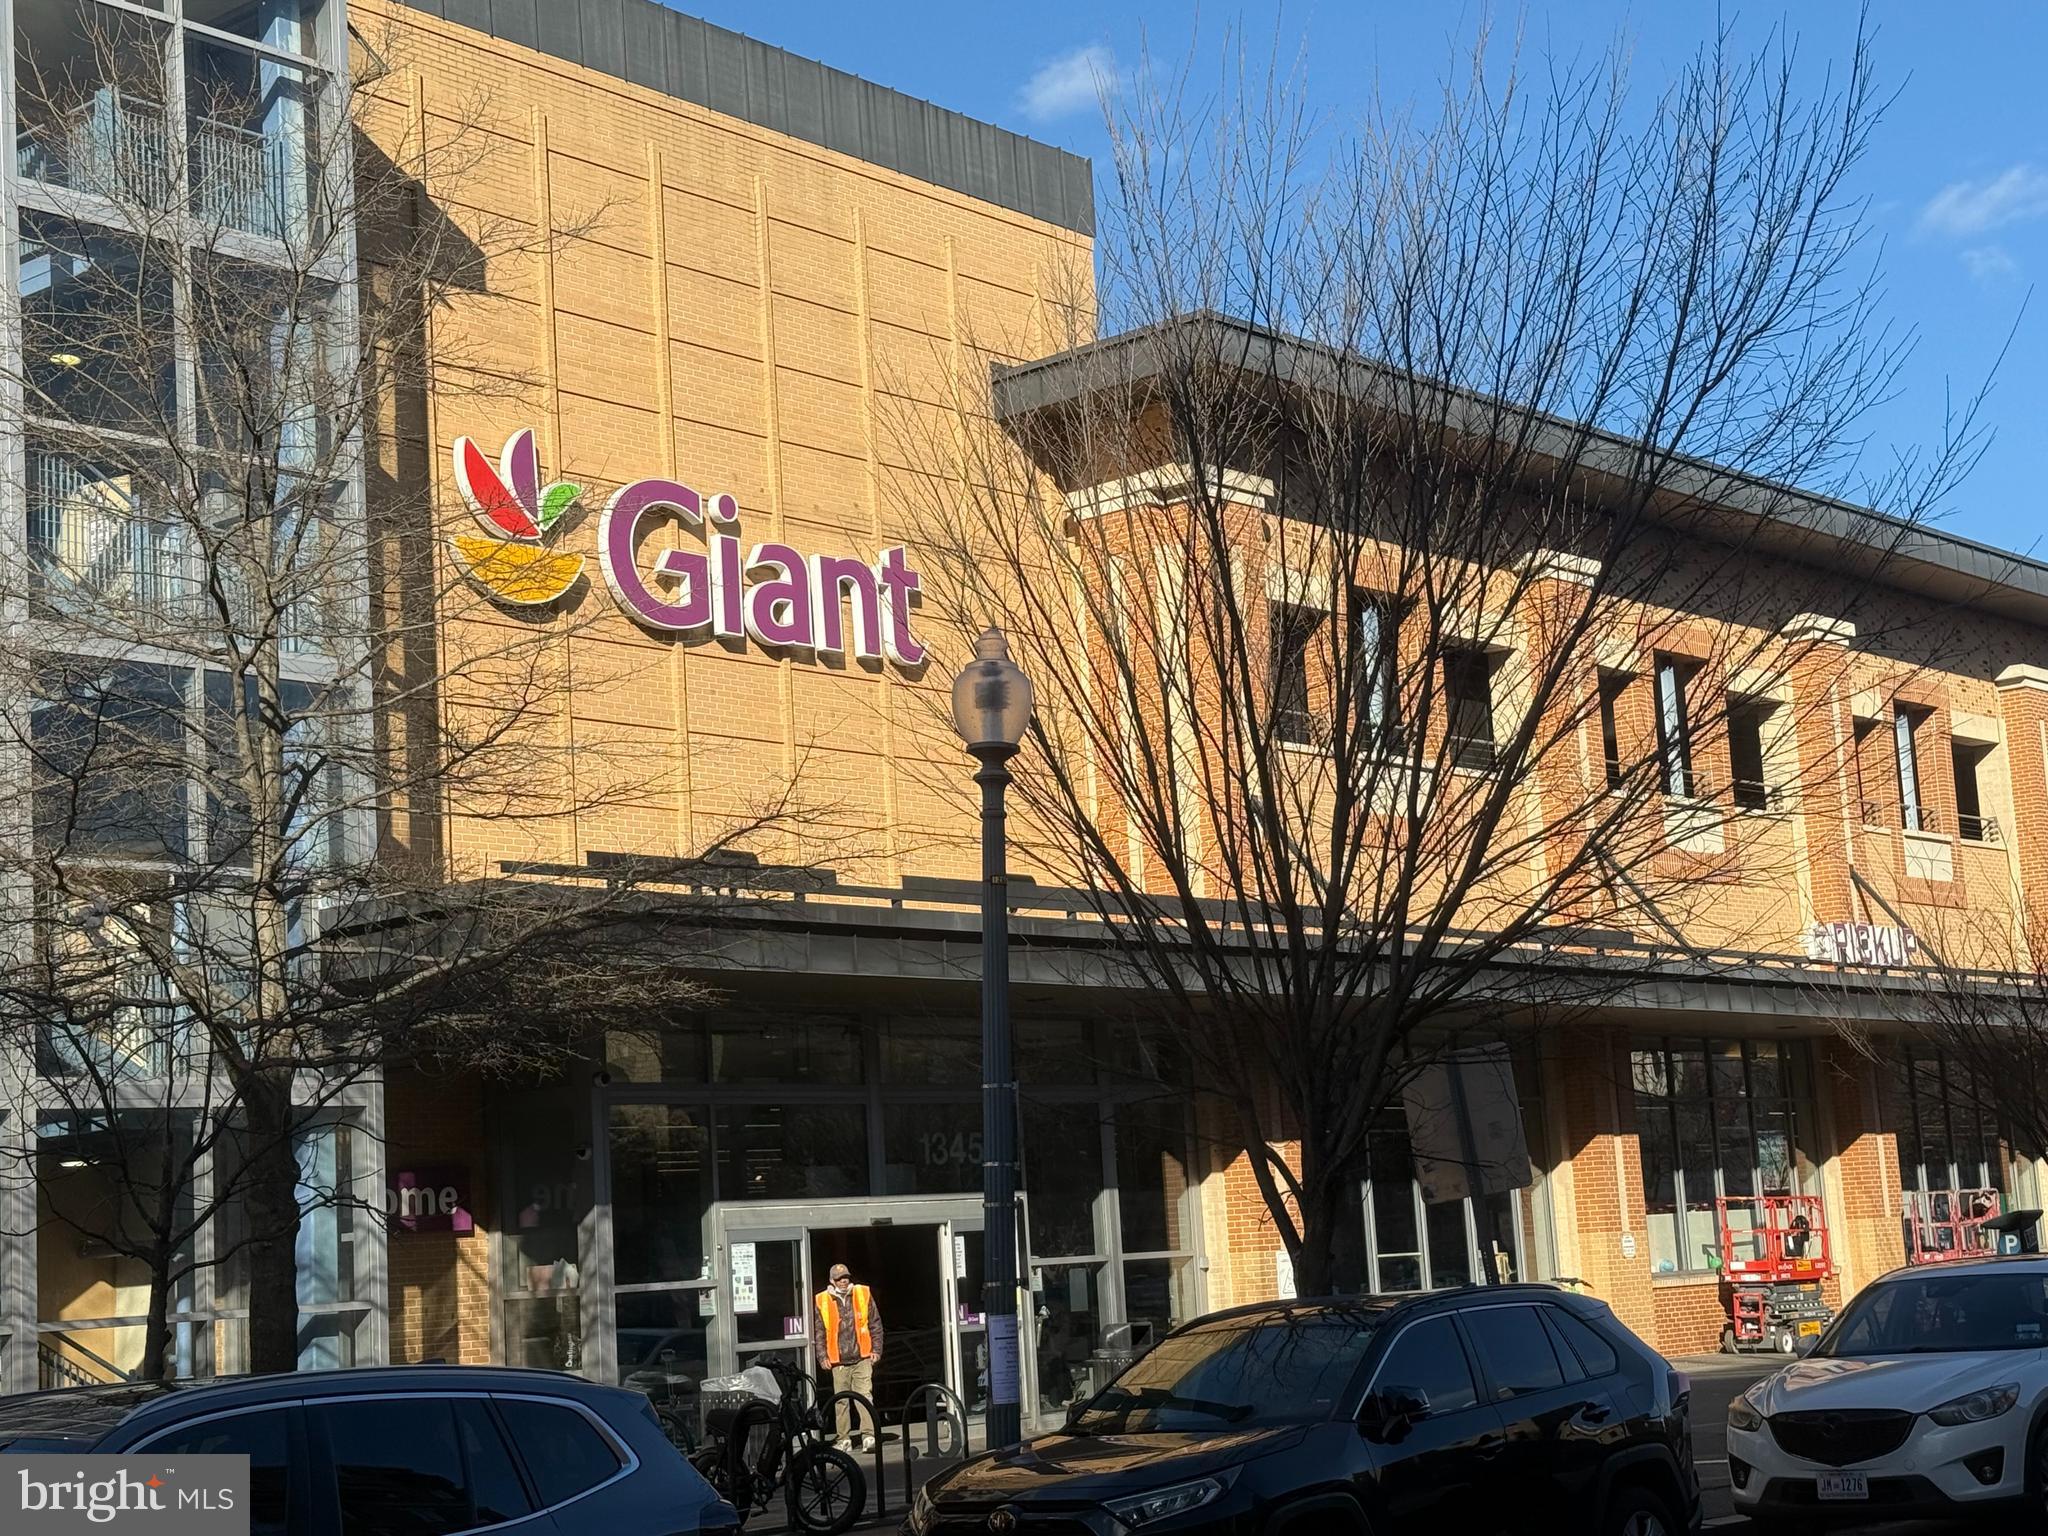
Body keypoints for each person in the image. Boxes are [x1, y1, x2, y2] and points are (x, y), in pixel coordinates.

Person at [813, 1262, 883, 1451]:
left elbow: (875, 1324)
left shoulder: (862, 1294)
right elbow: (819, 1332)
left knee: (865, 1397)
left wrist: (876, 1350)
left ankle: (869, 1436)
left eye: (845, 1277)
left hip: (862, 1357)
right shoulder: (822, 1300)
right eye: (838, 1279)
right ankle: (843, 1439)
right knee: (841, 1401)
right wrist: (822, 1356)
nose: (843, 1281)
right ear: (831, 1281)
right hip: (838, 1361)